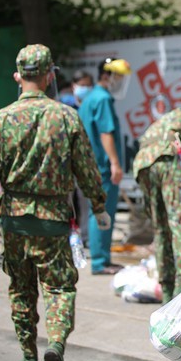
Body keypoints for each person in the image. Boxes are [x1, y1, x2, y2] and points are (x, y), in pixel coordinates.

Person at [0, 44, 110, 361]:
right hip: (54, 221)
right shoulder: (66, 116)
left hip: (14, 221)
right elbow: (86, 167)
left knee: (21, 290)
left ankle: (28, 357)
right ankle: (55, 343)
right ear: (50, 75)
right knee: (59, 287)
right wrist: (99, 206)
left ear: (17, 77)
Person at [132, 108, 181, 303]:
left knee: (161, 228)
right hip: (171, 163)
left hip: (144, 167)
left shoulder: (159, 125)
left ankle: (166, 290)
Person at [78, 57, 132, 275]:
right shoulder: (102, 99)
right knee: (102, 212)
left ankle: (102, 259)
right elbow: (105, 132)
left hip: (92, 166)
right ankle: (101, 261)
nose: (119, 81)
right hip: (102, 167)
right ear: (106, 75)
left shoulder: (92, 98)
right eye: (118, 77)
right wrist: (115, 163)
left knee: (97, 211)